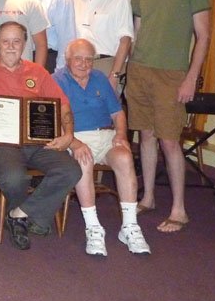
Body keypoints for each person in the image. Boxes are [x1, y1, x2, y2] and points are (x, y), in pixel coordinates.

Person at [0, 21, 81, 250]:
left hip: (37, 143)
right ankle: (33, 216)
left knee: (71, 169)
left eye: (16, 41)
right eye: (5, 41)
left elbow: (63, 106)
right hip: (0, 145)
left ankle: (19, 214)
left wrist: (68, 134)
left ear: (25, 44)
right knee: (15, 177)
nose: (10, 46)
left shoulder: (38, 72)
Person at [128, 0, 210, 233]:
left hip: (172, 74)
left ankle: (179, 209)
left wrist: (191, 78)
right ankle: (148, 196)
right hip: (140, 71)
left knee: (169, 140)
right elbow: (137, 35)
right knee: (145, 136)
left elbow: (203, 37)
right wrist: (127, 70)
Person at [53, 39, 150, 256]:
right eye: (78, 58)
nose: (84, 64)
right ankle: (93, 227)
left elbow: (117, 112)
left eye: (89, 59)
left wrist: (121, 135)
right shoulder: (56, 80)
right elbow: (53, 118)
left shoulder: (99, 79)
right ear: (68, 60)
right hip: (75, 137)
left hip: (105, 135)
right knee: (84, 160)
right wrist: (74, 143)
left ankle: (130, 226)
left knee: (125, 158)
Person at [72, 0, 134, 92]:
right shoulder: (73, 0)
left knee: (104, 112)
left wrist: (114, 76)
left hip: (106, 65)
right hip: (77, 67)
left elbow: (126, 40)